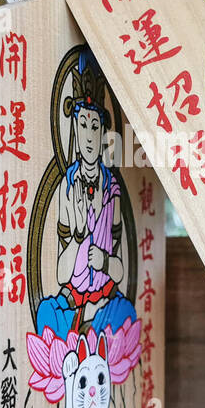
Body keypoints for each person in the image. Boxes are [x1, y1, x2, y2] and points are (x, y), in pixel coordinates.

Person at [35, 54, 137, 338]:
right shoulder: (66, 190)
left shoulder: (112, 191)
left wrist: (104, 261)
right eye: (83, 125)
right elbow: (61, 275)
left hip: (105, 299)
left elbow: (118, 271)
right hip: (72, 303)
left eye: (95, 127)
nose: (89, 137)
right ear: (74, 130)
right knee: (47, 316)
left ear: (104, 131)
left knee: (126, 316)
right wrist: (78, 238)